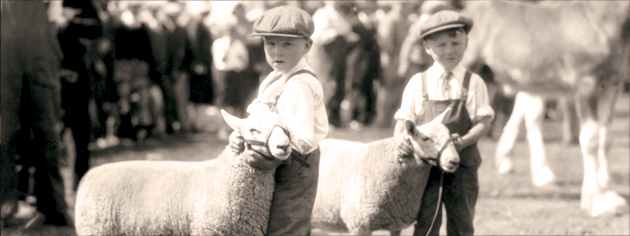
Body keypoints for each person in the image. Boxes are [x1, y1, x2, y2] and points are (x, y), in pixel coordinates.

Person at [228, 6, 328, 235]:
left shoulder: (300, 85)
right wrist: (241, 135)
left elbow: (301, 140)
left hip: (296, 163)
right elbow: (259, 119)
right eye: (270, 44)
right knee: (267, 220)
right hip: (273, 156)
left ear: (307, 46)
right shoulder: (275, 79)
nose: (277, 52)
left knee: (287, 224)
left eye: (287, 44)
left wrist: (261, 150)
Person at [393, 10, 494, 236]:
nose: (449, 51)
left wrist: (465, 141)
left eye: (455, 43)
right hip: (425, 167)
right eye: (441, 45)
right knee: (427, 220)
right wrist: (399, 139)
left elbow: (484, 121)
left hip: (463, 162)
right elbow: (404, 119)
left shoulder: (474, 82)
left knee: (462, 220)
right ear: (427, 48)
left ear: (466, 43)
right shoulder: (419, 82)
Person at [1, 0, 72, 226]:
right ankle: (6, 206)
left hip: (39, 48)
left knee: (47, 131)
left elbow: (54, 14)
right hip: (6, 48)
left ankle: (53, 205)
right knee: (4, 132)